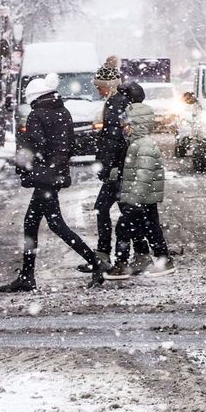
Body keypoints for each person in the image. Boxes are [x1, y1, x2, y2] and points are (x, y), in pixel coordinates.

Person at [1, 84, 104, 292]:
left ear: (34, 97)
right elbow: (70, 144)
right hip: (53, 174)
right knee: (31, 223)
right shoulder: (63, 111)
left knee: (56, 225)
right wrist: (58, 164)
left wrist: (22, 163)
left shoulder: (36, 115)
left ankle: (95, 262)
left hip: (44, 177)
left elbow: (35, 147)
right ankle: (27, 276)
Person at [109, 101, 174, 278]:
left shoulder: (143, 145)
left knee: (124, 227)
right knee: (151, 230)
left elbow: (144, 175)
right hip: (144, 198)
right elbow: (135, 170)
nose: (124, 128)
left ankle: (121, 264)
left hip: (140, 198)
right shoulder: (136, 144)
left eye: (127, 124)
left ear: (138, 125)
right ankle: (163, 260)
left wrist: (133, 199)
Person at [91, 56, 129, 266]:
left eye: (100, 87)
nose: (98, 91)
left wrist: (108, 167)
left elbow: (113, 140)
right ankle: (118, 256)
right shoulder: (116, 103)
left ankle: (110, 256)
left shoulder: (115, 104)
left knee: (108, 210)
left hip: (118, 169)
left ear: (108, 86)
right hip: (120, 168)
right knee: (127, 214)